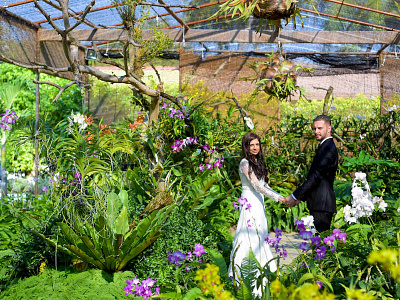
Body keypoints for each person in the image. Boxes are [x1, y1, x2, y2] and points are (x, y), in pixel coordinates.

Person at [228, 132, 284, 293]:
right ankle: (243, 277)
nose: (255, 148)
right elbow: (257, 187)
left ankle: (263, 274)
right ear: (246, 147)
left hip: (259, 203)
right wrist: (280, 199)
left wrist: (281, 197)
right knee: (248, 236)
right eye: (251, 145)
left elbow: (264, 186)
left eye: (257, 144)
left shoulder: (258, 162)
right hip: (249, 203)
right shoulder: (245, 163)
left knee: (261, 234)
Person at [283, 115, 339, 232]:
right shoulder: (324, 146)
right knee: (319, 246)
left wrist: (295, 196)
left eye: (320, 128)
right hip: (319, 204)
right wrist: (301, 198)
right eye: (314, 129)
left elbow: (316, 177)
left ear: (329, 128)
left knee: (321, 245)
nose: (316, 131)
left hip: (322, 204)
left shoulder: (328, 148)